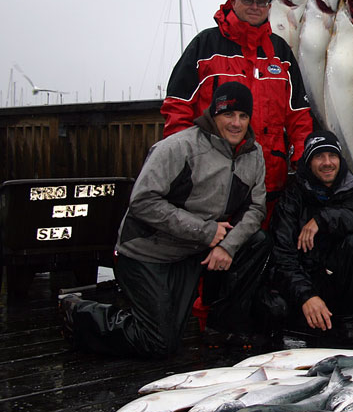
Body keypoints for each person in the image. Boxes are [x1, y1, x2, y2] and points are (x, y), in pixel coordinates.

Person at [59, 83, 279, 358]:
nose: (236, 123)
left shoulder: (253, 153)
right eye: (228, 114)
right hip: (148, 252)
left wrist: (227, 246)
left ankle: (222, 326)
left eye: (243, 116)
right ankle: (80, 313)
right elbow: (142, 201)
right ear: (213, 114)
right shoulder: (178, 147)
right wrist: (205, 231)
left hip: (194, 252)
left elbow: (256, 208)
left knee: (258, 242)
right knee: (159, 343)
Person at [161, 0, 313, 218]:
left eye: (262, 2)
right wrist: (182, 160)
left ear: (269, 8)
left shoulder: (280, 52)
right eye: (248, 0)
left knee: (264, 244)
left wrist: (301, 159)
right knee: (217, 244)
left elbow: (298, 115)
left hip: (270, 176)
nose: (255, 7)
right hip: (211, 176)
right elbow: (178, 107)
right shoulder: (204, 45)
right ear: (233, 2)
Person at [270, 130, 353, 346]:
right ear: (308, 161)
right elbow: (283, 255)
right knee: (272, 309)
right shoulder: (293, 196)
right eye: (319, 156)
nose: (327, 163)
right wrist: (306, 296)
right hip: (309, 285)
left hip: (346, 287)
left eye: (332, 156)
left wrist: (327, 218)